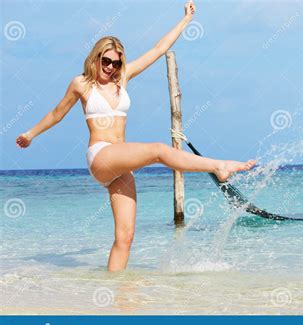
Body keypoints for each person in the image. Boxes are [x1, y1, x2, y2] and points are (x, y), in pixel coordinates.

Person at [15, 0, 256, 272]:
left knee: (125, 237)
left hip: (121, 163)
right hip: (101, 156)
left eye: (116, 63)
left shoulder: (123, 78)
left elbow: (158, 49)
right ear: (96, 58)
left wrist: (186, 20)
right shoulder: (81, 83)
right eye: (106, 61)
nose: (110, 67)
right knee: (157, 150)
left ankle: (117, 297)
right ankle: (218, 166)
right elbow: (57, 113)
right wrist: (30, 134)